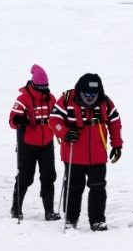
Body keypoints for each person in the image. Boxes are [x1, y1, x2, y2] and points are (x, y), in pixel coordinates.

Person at [50, 73, 124, 231]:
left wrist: (117, 145)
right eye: (87, 94)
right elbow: (54, 120)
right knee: (73, 188)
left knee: (98, 187)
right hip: (73, 154)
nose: (90, 97)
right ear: (79, 91)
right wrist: (64, 132)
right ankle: (70, 219)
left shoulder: (106, 102)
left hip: (98, 154)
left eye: (94, 94)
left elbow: (115, 123)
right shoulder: (66, 99)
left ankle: (97, 220)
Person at [9, 65, 60, 221]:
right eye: (41, 87)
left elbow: (57, 120)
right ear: (34, 85)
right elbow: (12, 121)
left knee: (49, 176)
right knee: (25, 177)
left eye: (46, 87)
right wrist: (19, 119)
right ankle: (16, 208)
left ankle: (49, 211)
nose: (44, 90)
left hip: (47, 145)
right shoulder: (22, 99)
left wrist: (62, 132)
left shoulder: (51, 98)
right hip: (27, 145)